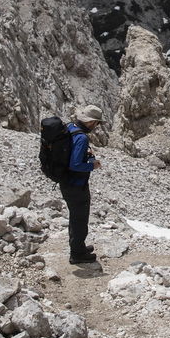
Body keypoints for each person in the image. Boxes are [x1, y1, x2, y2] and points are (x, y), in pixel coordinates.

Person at [62, 105, 103, 264]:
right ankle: (77, 254)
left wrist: (87, 155)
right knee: (80, 219)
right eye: (97, 123)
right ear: (91, 122)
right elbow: (75, 165)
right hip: (76, 184)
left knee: (75, 217)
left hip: (66, 182)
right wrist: (93, 165)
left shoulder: (70, 127)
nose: (97, 126)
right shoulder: (82, 138)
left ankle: (78, 247)